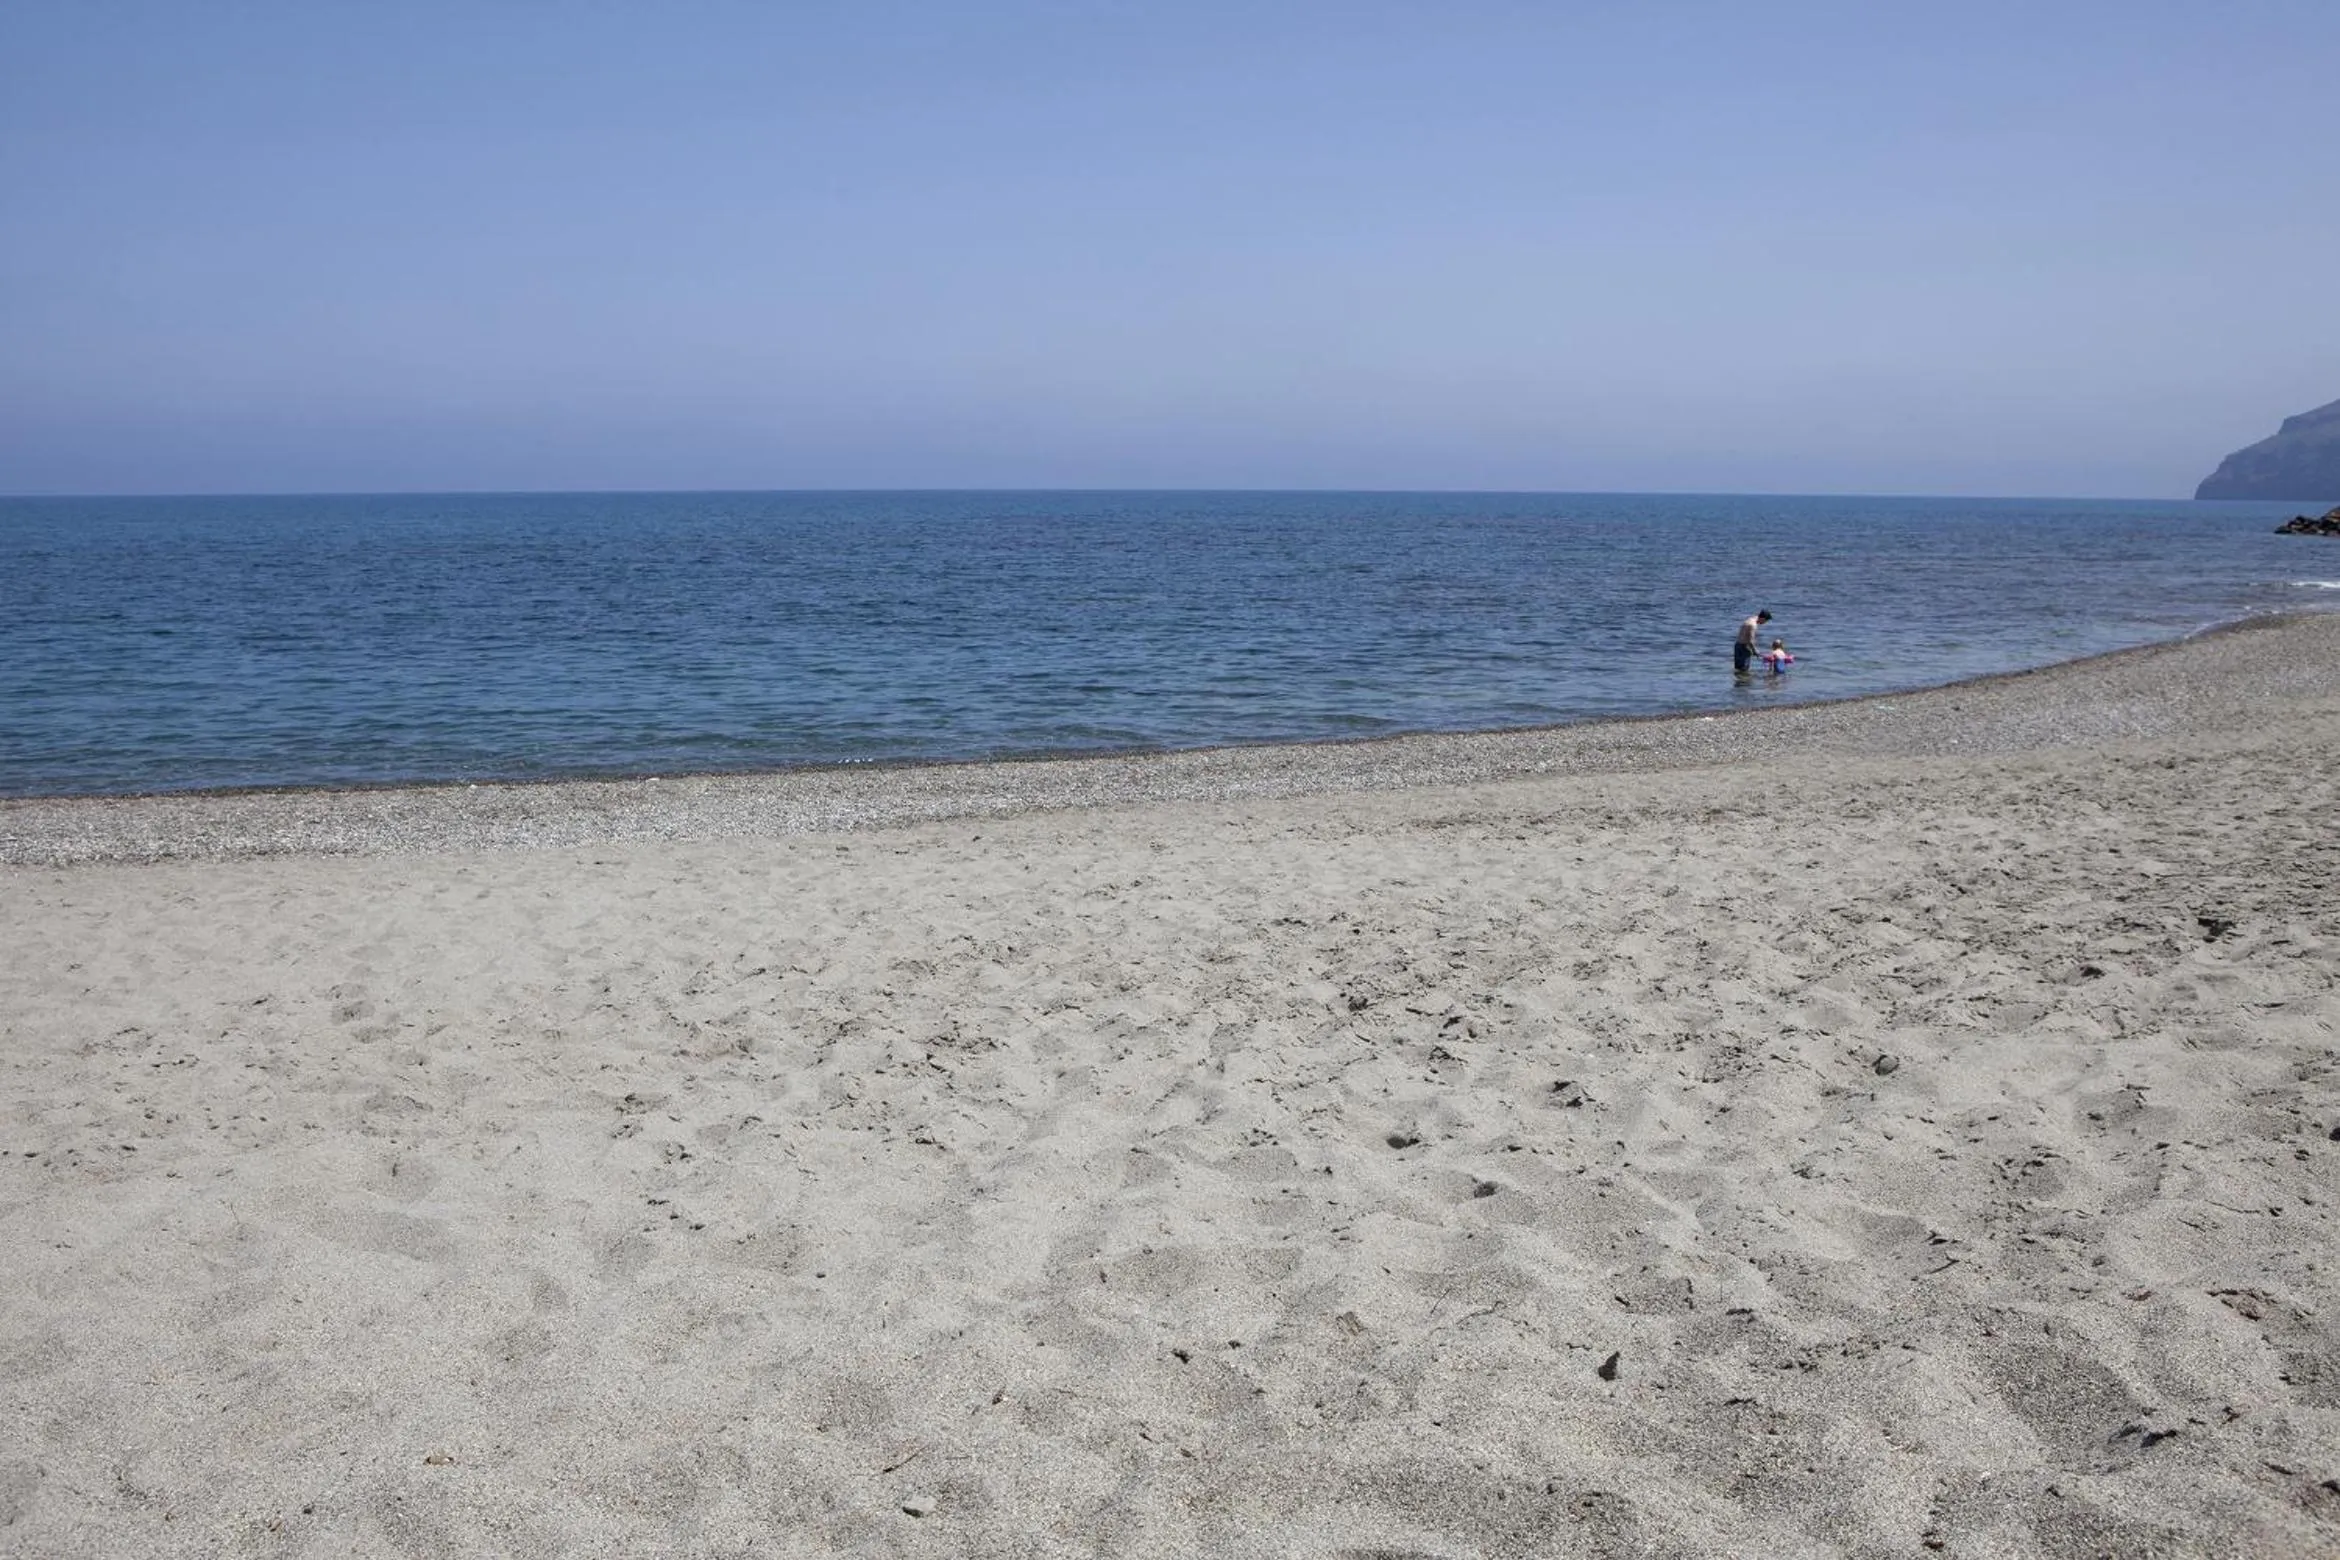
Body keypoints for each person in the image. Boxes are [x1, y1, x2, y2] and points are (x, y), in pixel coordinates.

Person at [1733, 609, 1772, 674]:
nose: (1765, 623)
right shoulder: (1753, 625)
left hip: (1737, 645)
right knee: (1744, 670)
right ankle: (1744, 683)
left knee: (1737, 669)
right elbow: (1751, 641)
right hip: (1744, 648)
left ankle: (1738, 682)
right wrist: (1755, 651)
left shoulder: (1751, 619)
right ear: (1763, 618)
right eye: (1766, 621)